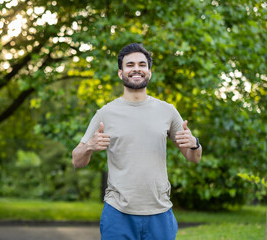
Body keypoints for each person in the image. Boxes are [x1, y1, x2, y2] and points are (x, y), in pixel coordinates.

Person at [71, 43, 202, 240]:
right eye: (130, 64)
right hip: (118, 213)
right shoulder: (105, 113)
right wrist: (89, 146)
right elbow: (76, 160)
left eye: (142, 64)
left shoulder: (167, 111)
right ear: (120, 72)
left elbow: (194, 158)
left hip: (160, 212)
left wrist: (194, 143)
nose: (136, 69)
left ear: (149, 72)